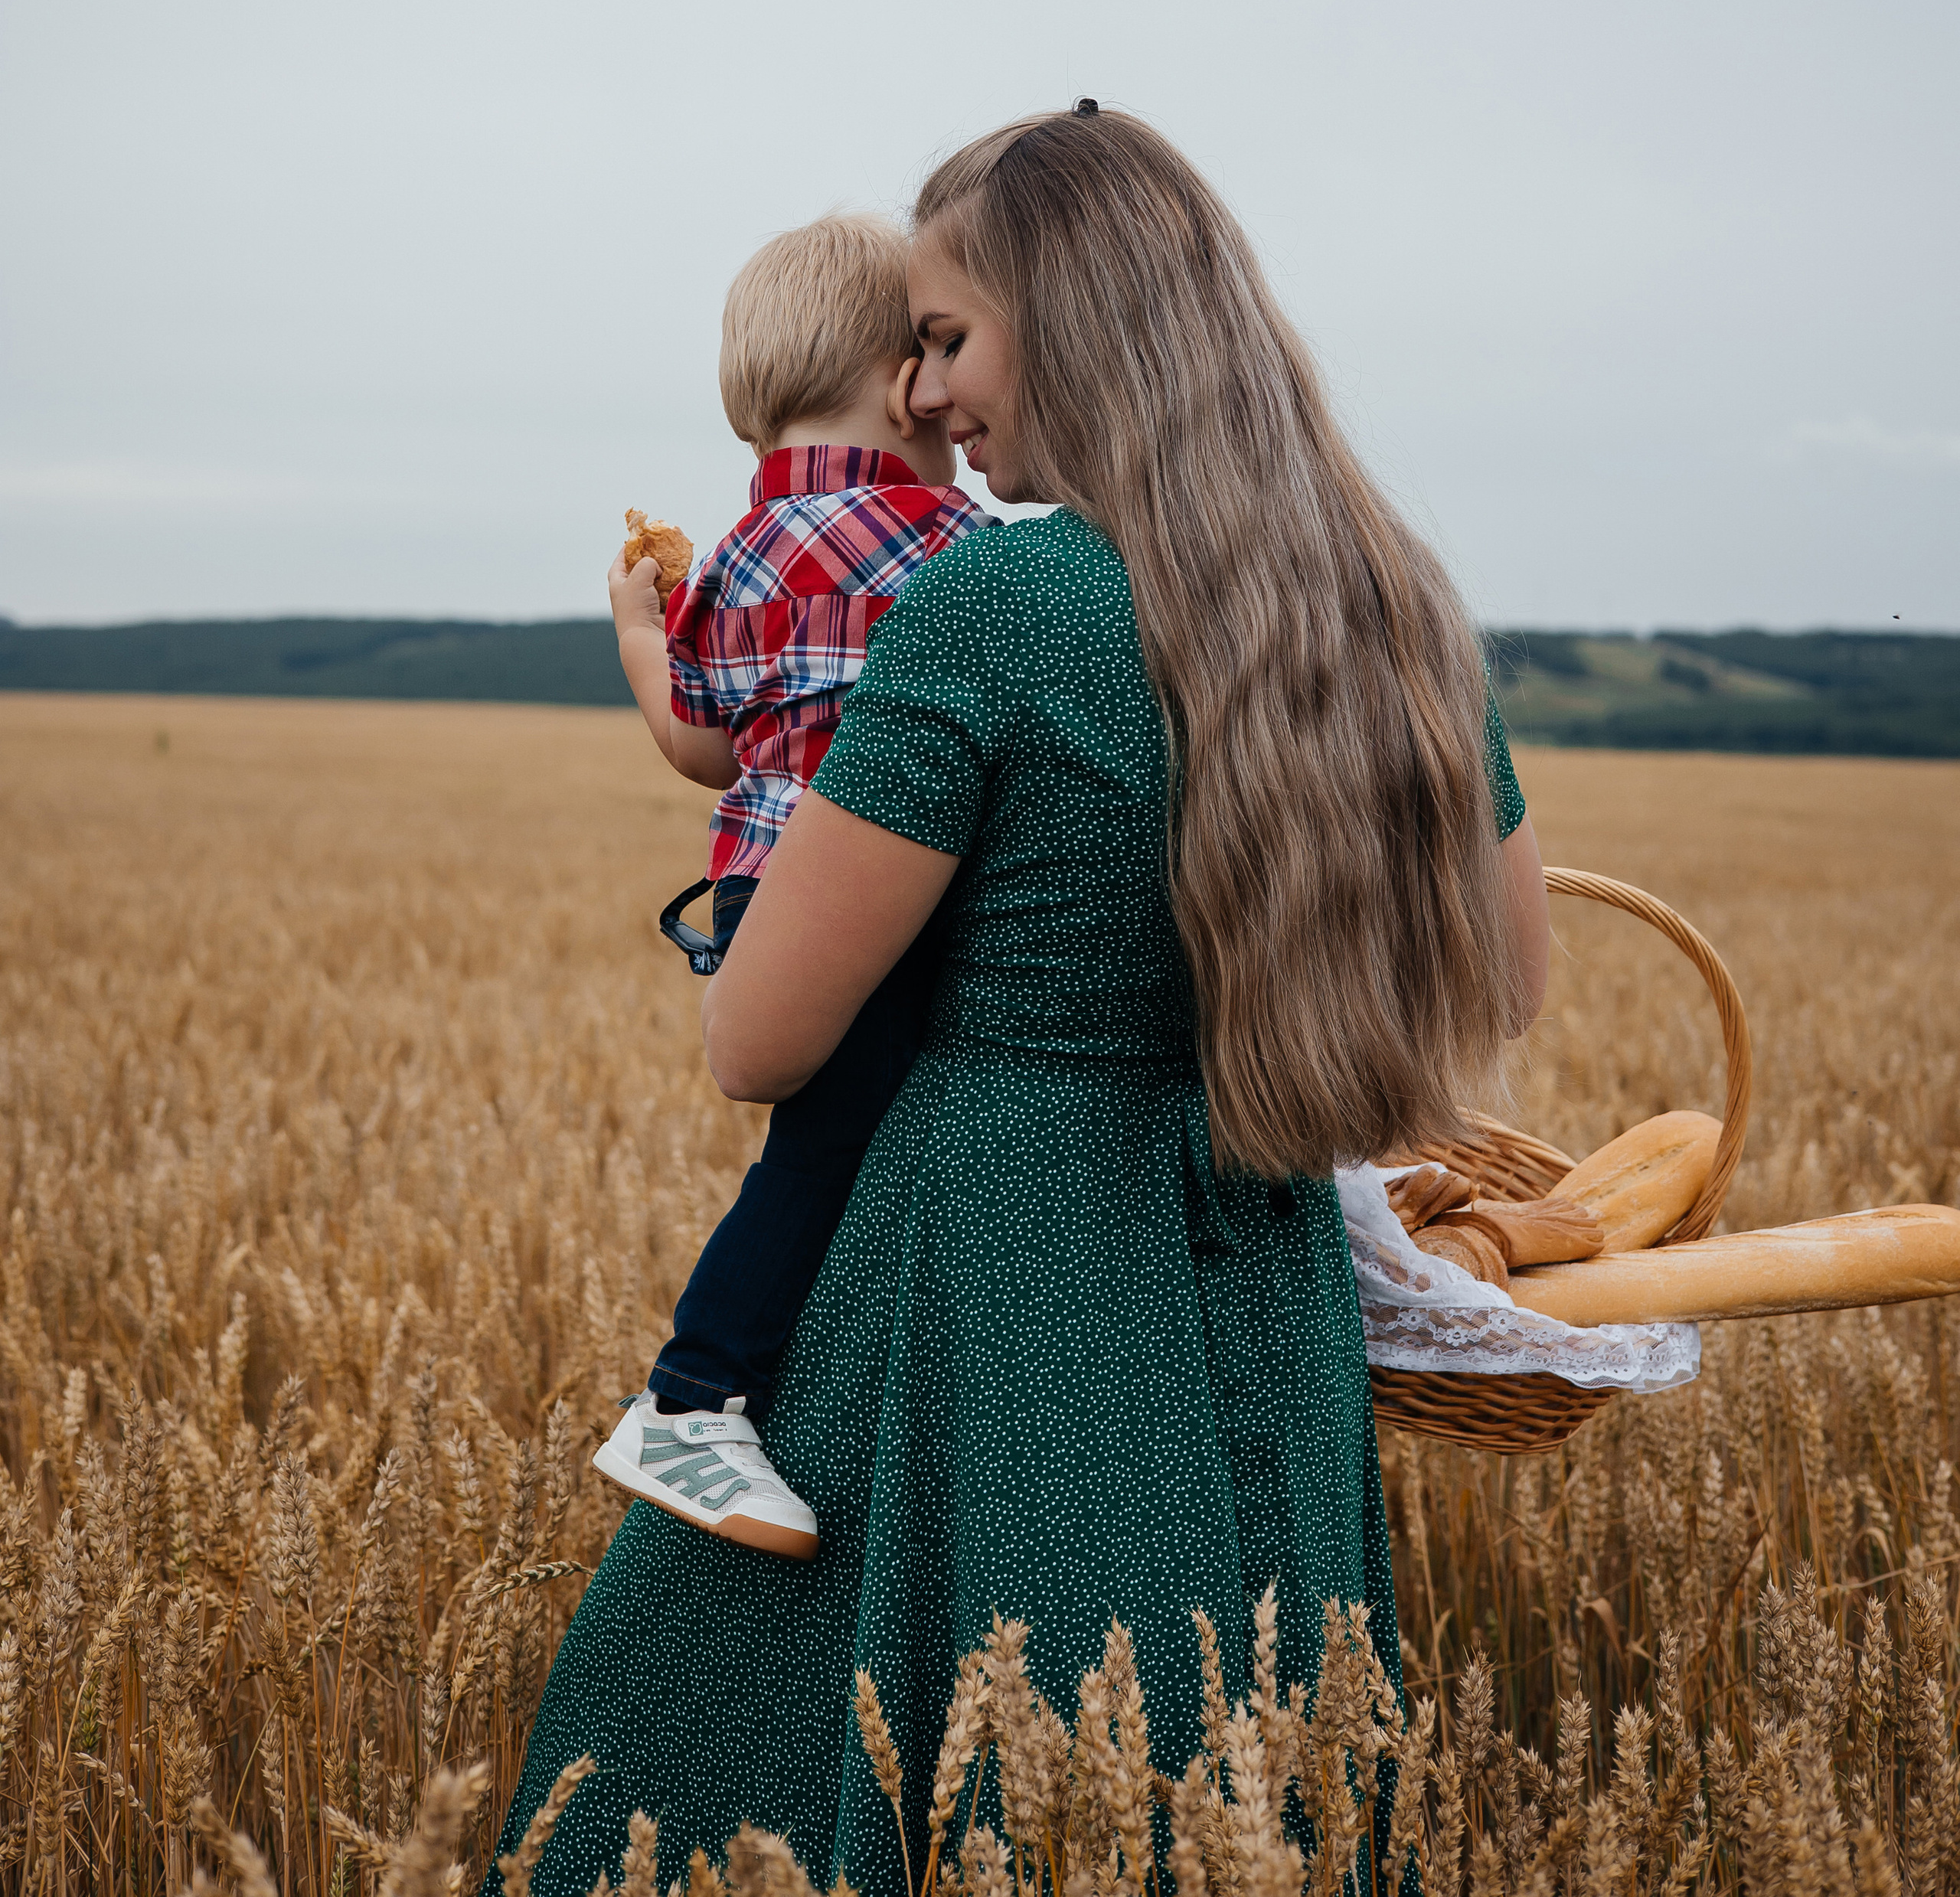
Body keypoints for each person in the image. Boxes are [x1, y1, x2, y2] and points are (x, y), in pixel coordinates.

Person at [489, 102, 1551, 1897]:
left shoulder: (999, 605)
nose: (921, 391)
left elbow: (755, 1041)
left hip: (983, 1285)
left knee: (756, 1793)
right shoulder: (1388, 604)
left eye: (946, 334)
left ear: (1069, 323)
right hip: (1258, 1283)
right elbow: (1504, 972)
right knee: (1224, 1796)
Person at [594, 212, 990, 1556]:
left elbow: (707, 747)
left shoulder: (735, 561)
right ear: (907, 385)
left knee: (832, 1144)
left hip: (765, 902)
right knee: (830, 1155)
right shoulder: (954, 548)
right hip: (879, 901)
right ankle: (692, 1397)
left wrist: (643, 640)